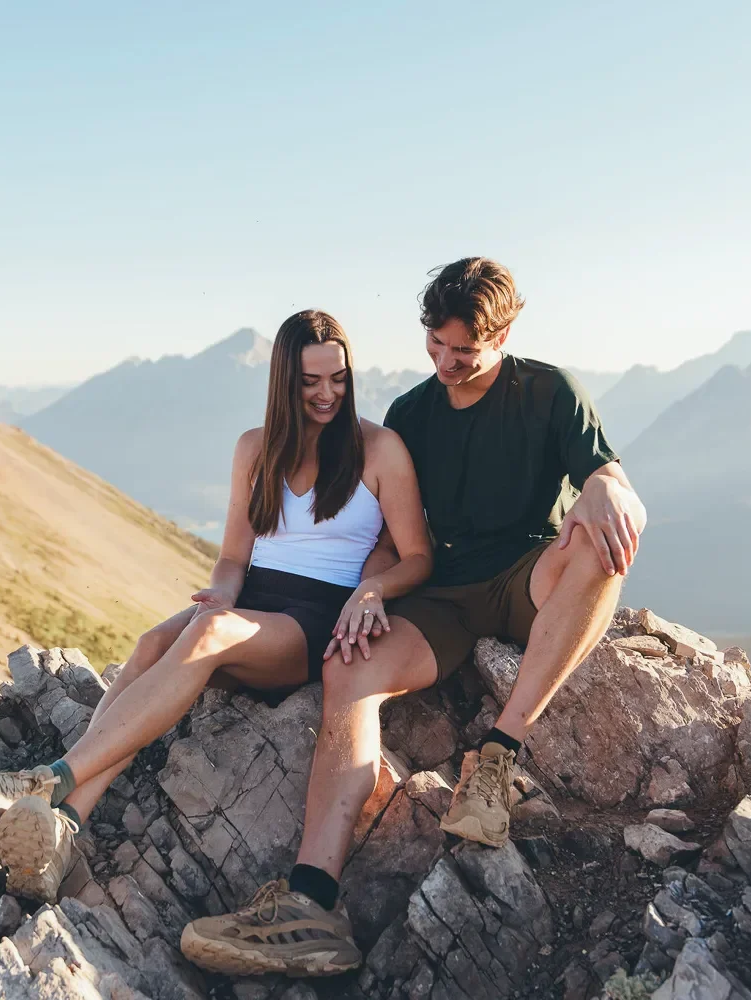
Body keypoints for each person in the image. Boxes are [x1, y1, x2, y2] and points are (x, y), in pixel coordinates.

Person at [181, 257, 646, 976]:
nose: (448, 363)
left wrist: (610, 487)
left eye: (465, 350)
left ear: (507, 332)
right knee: (347, 667)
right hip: (440, 592)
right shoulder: (410, 418)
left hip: (528, 575)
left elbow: (605, 478)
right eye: (436, 345)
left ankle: (498, 755)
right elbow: (393, 539)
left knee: (598, 543)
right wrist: (369, 592)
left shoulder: (549, 391)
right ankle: (311, 905)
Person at [0, 309, 431, 934]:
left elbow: (418, 556)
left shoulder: (379, 449)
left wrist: (371, 589)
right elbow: (233, 556)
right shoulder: (255, 449)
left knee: (203, 633)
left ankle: (43, 782)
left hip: (316, 620)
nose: (327, 393)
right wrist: (220, 598)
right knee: (153, 642)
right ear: (285, 380)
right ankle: (63, 831)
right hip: (252, 601)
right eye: (311, 381)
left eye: (337, 378)